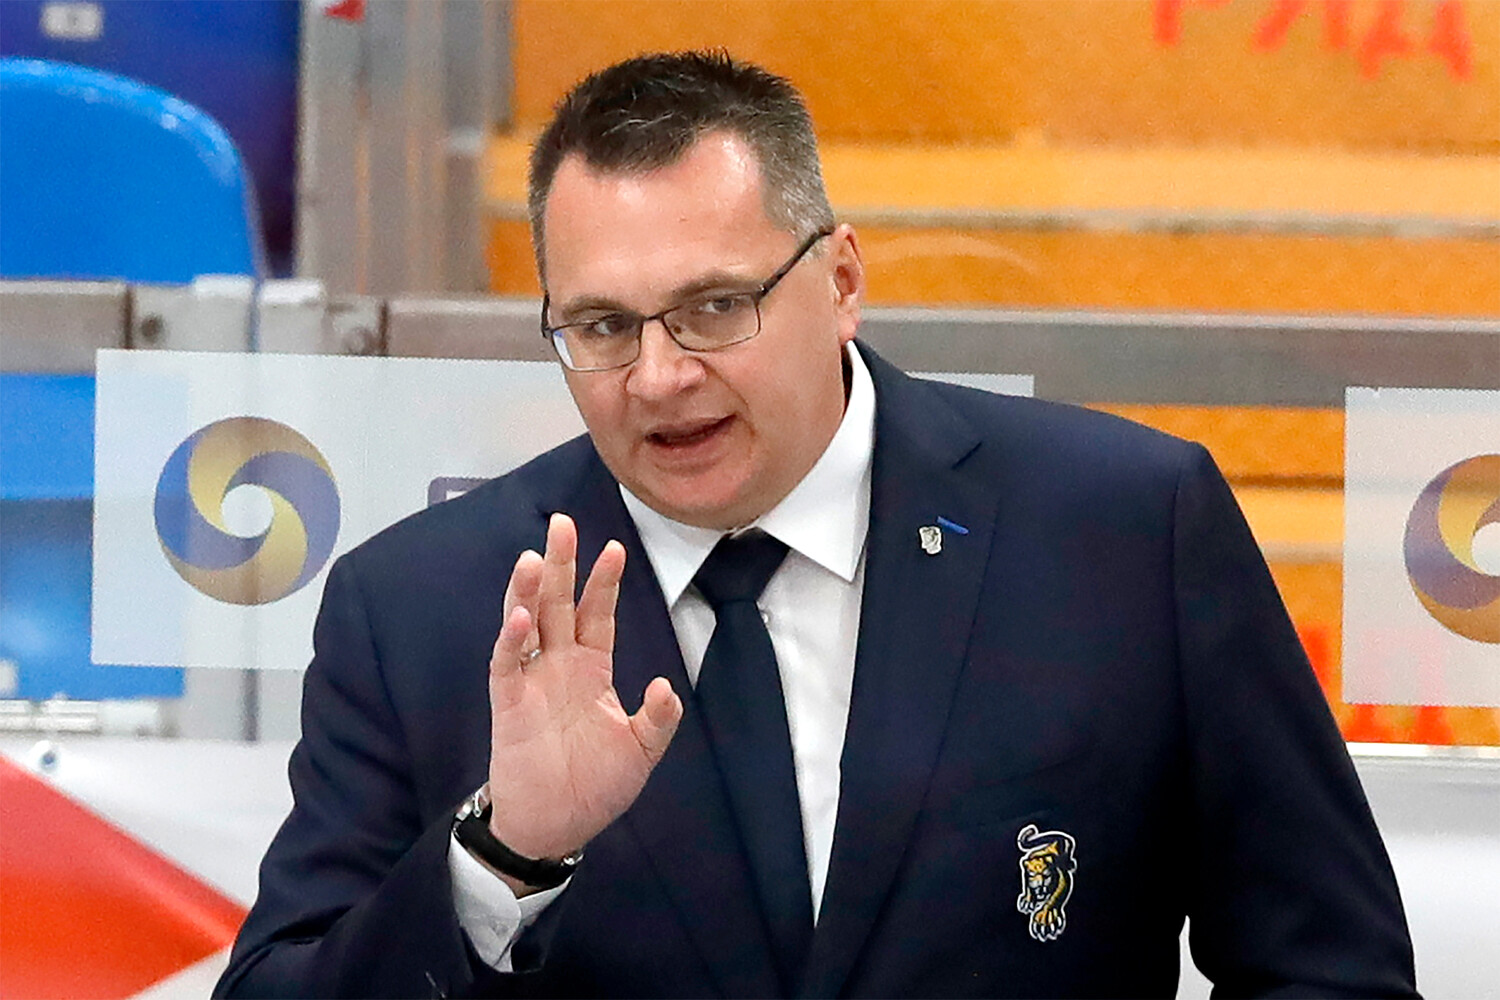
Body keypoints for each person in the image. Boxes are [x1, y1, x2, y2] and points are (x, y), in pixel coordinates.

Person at [218, 51, 1417, 998]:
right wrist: (503, 860)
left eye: (714, 306)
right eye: (602, 327)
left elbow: (1331, 968)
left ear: (841, 281)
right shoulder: (423, 607)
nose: (658, 377)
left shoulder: (1125, 530)